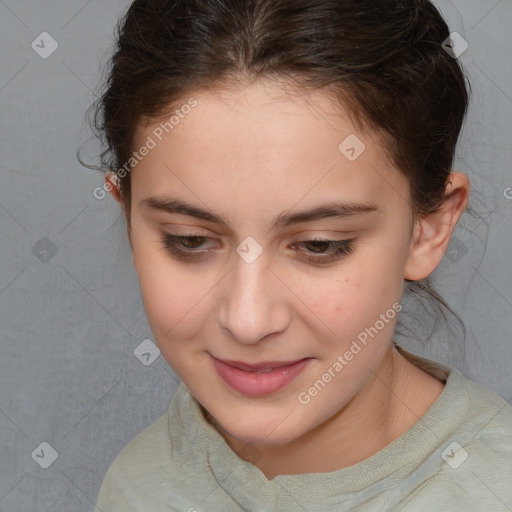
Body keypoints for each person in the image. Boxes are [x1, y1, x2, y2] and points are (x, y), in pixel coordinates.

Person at [88, 0, 512, 510]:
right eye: (189, 240)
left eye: (319, 245)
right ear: (129, 219)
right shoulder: (137, 485)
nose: (247, 322)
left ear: (428, 229)